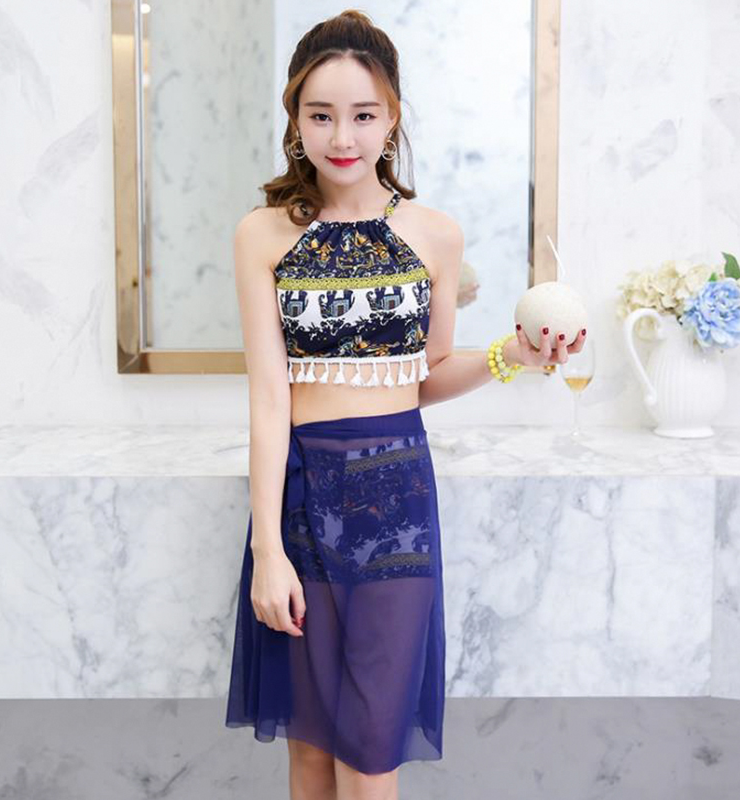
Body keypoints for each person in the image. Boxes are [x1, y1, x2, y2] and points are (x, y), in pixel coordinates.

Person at [224, 10, 586, 800]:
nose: (341, 136)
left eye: (363, 114)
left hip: (397, 499)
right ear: (295, 120)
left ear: (392, 118)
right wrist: (267, 551)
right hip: (302, 502)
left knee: (369, 752)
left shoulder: (434, 235)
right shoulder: (264, 235)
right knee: (310, 752)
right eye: (321, 114)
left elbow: (426, 375)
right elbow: (268, 397)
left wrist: (515, 356)